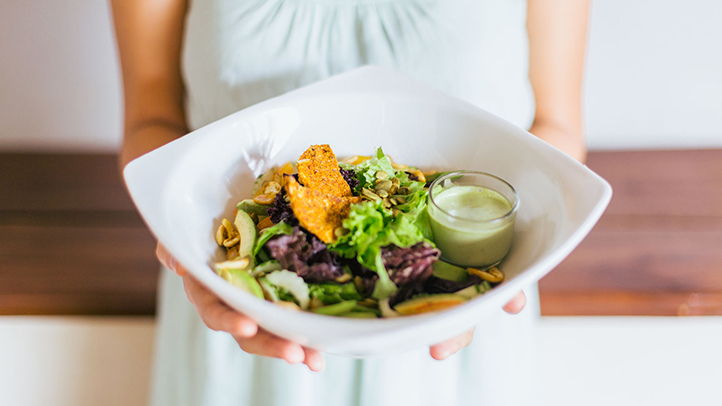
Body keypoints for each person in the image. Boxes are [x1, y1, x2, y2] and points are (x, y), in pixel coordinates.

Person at [111, 0, 589, 404]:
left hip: (463, 324)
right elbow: (151, 119)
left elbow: (557, 128)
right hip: (237, 317)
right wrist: (180, 227)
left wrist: (526, 253)